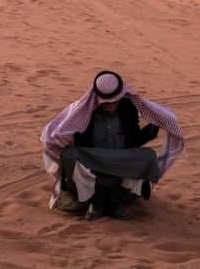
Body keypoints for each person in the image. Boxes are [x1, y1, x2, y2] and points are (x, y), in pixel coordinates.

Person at [41, 70, 183, 220]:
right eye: (107, 101)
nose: (111, 103)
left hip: (120, 163)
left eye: (115, 100)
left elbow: (132, 141)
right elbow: (56, 137)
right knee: (68, 155)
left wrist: (152, 129)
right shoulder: (85, 112)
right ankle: (96, 200)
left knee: (148, 157)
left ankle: (115, 199)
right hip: (94, 163)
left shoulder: (127, 108)